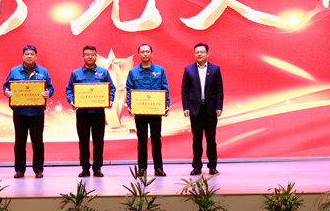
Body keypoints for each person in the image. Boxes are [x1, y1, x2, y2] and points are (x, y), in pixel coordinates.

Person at [3, 45, 55, 179]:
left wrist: (48, 93)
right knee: (20, 142)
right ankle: (20, 170)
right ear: (23, 56)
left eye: (32, 54)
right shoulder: (14, 71)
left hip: (37, 113)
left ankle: (38, 170)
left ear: (36, 56)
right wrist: (6, 92)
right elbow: (6, 86)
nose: (29, 56)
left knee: (38, 142)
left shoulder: (43, 71)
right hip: (19, 113)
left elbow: (50, 88)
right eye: (27, 54)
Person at [66, 45, 116, 177]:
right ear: (83, 56)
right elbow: (69, 89)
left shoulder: (103, 72)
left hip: (98, 113)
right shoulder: (76, 73)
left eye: (92, 54)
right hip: (82, 114)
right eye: (87, 54)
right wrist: (72, 101)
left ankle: (97, 168)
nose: (90, 57)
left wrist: (110, 100)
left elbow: (111, 88)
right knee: (83, 142)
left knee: (98, 141)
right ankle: (85, 168)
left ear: (96, 56)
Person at [125, 44, 170, 177]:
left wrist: (166, 105)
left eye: (147, 52)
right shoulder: (133, 72)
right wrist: (130, 105)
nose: (145, 54)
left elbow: (165, 88)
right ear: (139, 54)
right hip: (140, 112)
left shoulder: (160, 70)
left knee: (156, 139)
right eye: (142, 52)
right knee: (142, 140)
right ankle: (142, 168)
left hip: (156, 111)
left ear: (151, 53)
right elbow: (129, 90)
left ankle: (159, 168)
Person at [181, 43, 224, 175]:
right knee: (196, 140)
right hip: (195, 110)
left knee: (211, 140)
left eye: (202, 52)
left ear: (207, 54)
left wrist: (219, 106)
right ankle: (197, 166)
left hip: (210, 110)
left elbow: (219, 90)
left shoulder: (215, 69)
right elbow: (185, 90)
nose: (199, 54)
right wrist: (186, 107)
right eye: (197, 52)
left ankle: (212, 166)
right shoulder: (188, 69)